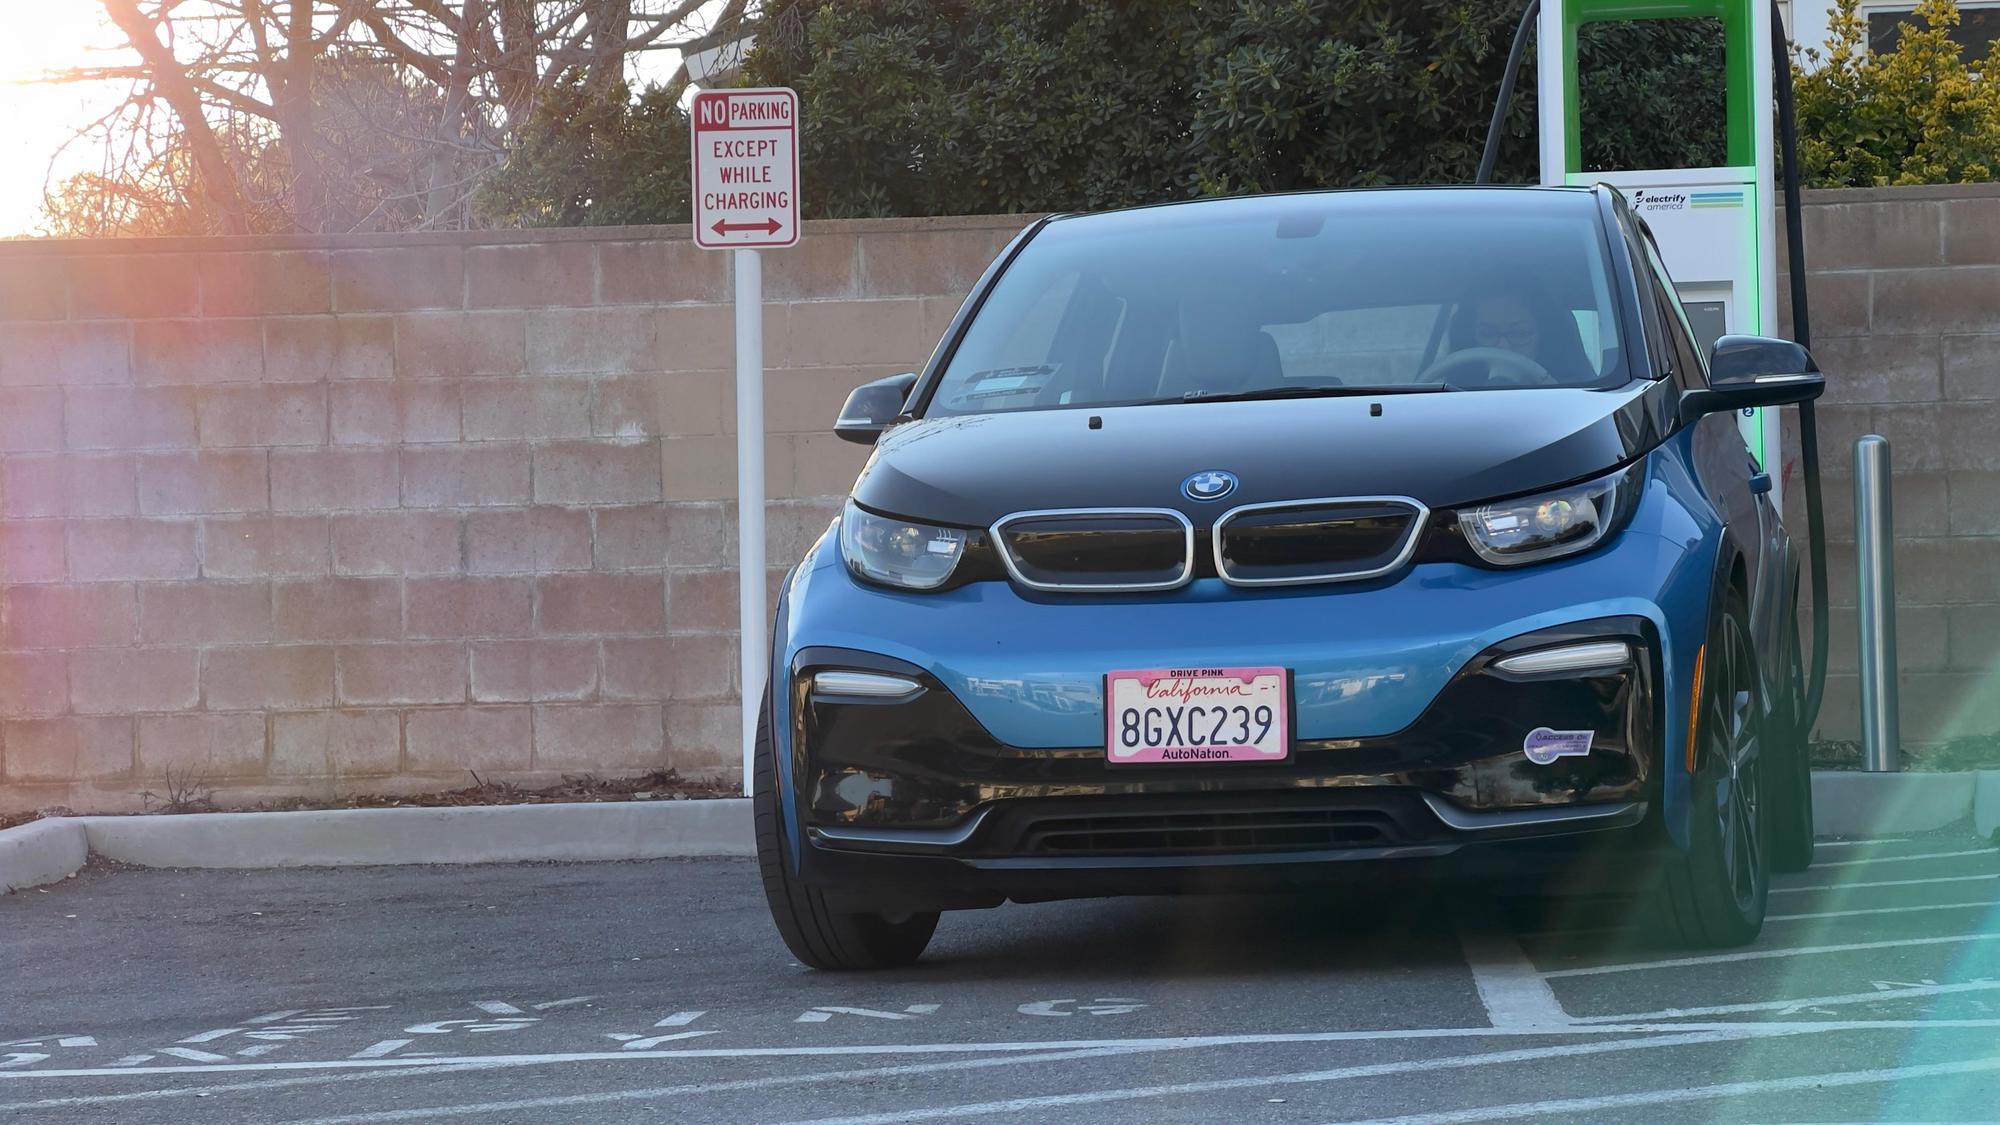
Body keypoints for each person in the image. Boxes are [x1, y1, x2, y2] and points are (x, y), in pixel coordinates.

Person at [1444, 276, 1595, 387]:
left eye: (1519, 333)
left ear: (1544, 336)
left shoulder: (1576, 399)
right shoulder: (1445, 398)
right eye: (1488, 334)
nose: (1504, 347)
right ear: (1470, 338)